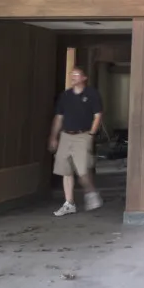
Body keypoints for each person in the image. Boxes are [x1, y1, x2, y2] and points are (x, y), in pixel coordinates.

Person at [48, 67, 104, 216]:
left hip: (82, 135)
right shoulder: (65, 96)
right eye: (71, 75)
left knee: (82, 169)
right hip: (66, 135)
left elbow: (98, 115)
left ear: (84, 78)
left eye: (76, 75)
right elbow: (59, 117)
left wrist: (91, 133)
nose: (73, 77)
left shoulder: (91, 94)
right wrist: (54, 136)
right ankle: (69, 203)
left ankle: (91, 192)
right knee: (65, 169)